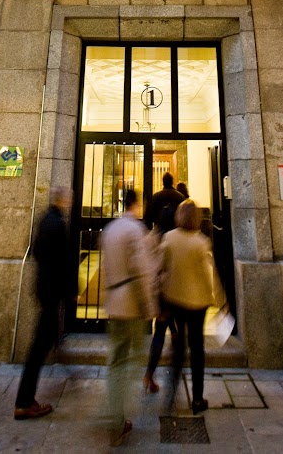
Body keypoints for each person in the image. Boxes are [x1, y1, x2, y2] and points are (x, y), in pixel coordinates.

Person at [14, 186, 73, 420]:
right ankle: (24, 402)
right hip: (50, 292)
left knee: (43, 342)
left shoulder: (45, 219)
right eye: (68, 198)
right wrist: (69, 289)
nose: (71, 201)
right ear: (62, 199)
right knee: (38, 348)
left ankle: (26, 399)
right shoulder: (56, 223)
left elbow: (37, 251)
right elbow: (62, 261)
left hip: (44, 290)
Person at [102, 189, 156, 448]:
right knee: (133, 362)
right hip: (132, 306)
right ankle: (120, 415)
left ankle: (114, 416)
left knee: (116, 362)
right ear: (137, 204)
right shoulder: (135, 230)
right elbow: (142, 271)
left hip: (113, 303)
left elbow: (105, 268)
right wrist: (149, 307)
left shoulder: (110, 229)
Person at [161, 199, 214, 415]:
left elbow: (161, 267)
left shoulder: (169, 238)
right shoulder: (201, 241)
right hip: (198, 302)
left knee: (178, 348)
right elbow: (208, 274)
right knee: (197, 348)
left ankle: (171, 394)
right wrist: (214, 296)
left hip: (175, 298)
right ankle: (197, 398)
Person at [142, 172, 185, 393]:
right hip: (177, 289)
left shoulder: (156, 198)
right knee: (177, 330)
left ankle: (150, 373)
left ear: (162, 181)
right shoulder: (180, 199)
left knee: (160, 330)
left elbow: (147, 219)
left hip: (160, 288)